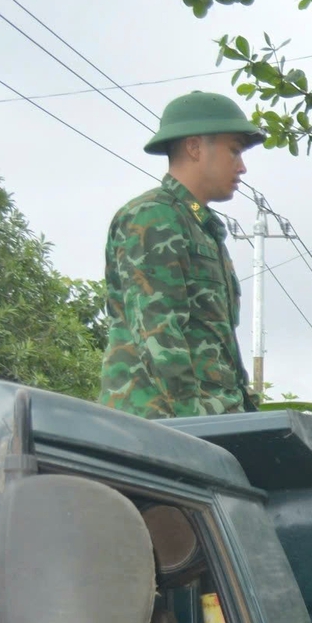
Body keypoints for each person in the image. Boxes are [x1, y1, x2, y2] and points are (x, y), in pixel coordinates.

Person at [102, 92, 265, 420]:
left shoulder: (201, 225)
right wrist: (194, 426)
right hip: (161, 424)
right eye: (234, 150)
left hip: (206, 421)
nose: (242, 166)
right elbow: (157, 332)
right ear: (194, 148)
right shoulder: (153, 217)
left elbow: (216, 345)